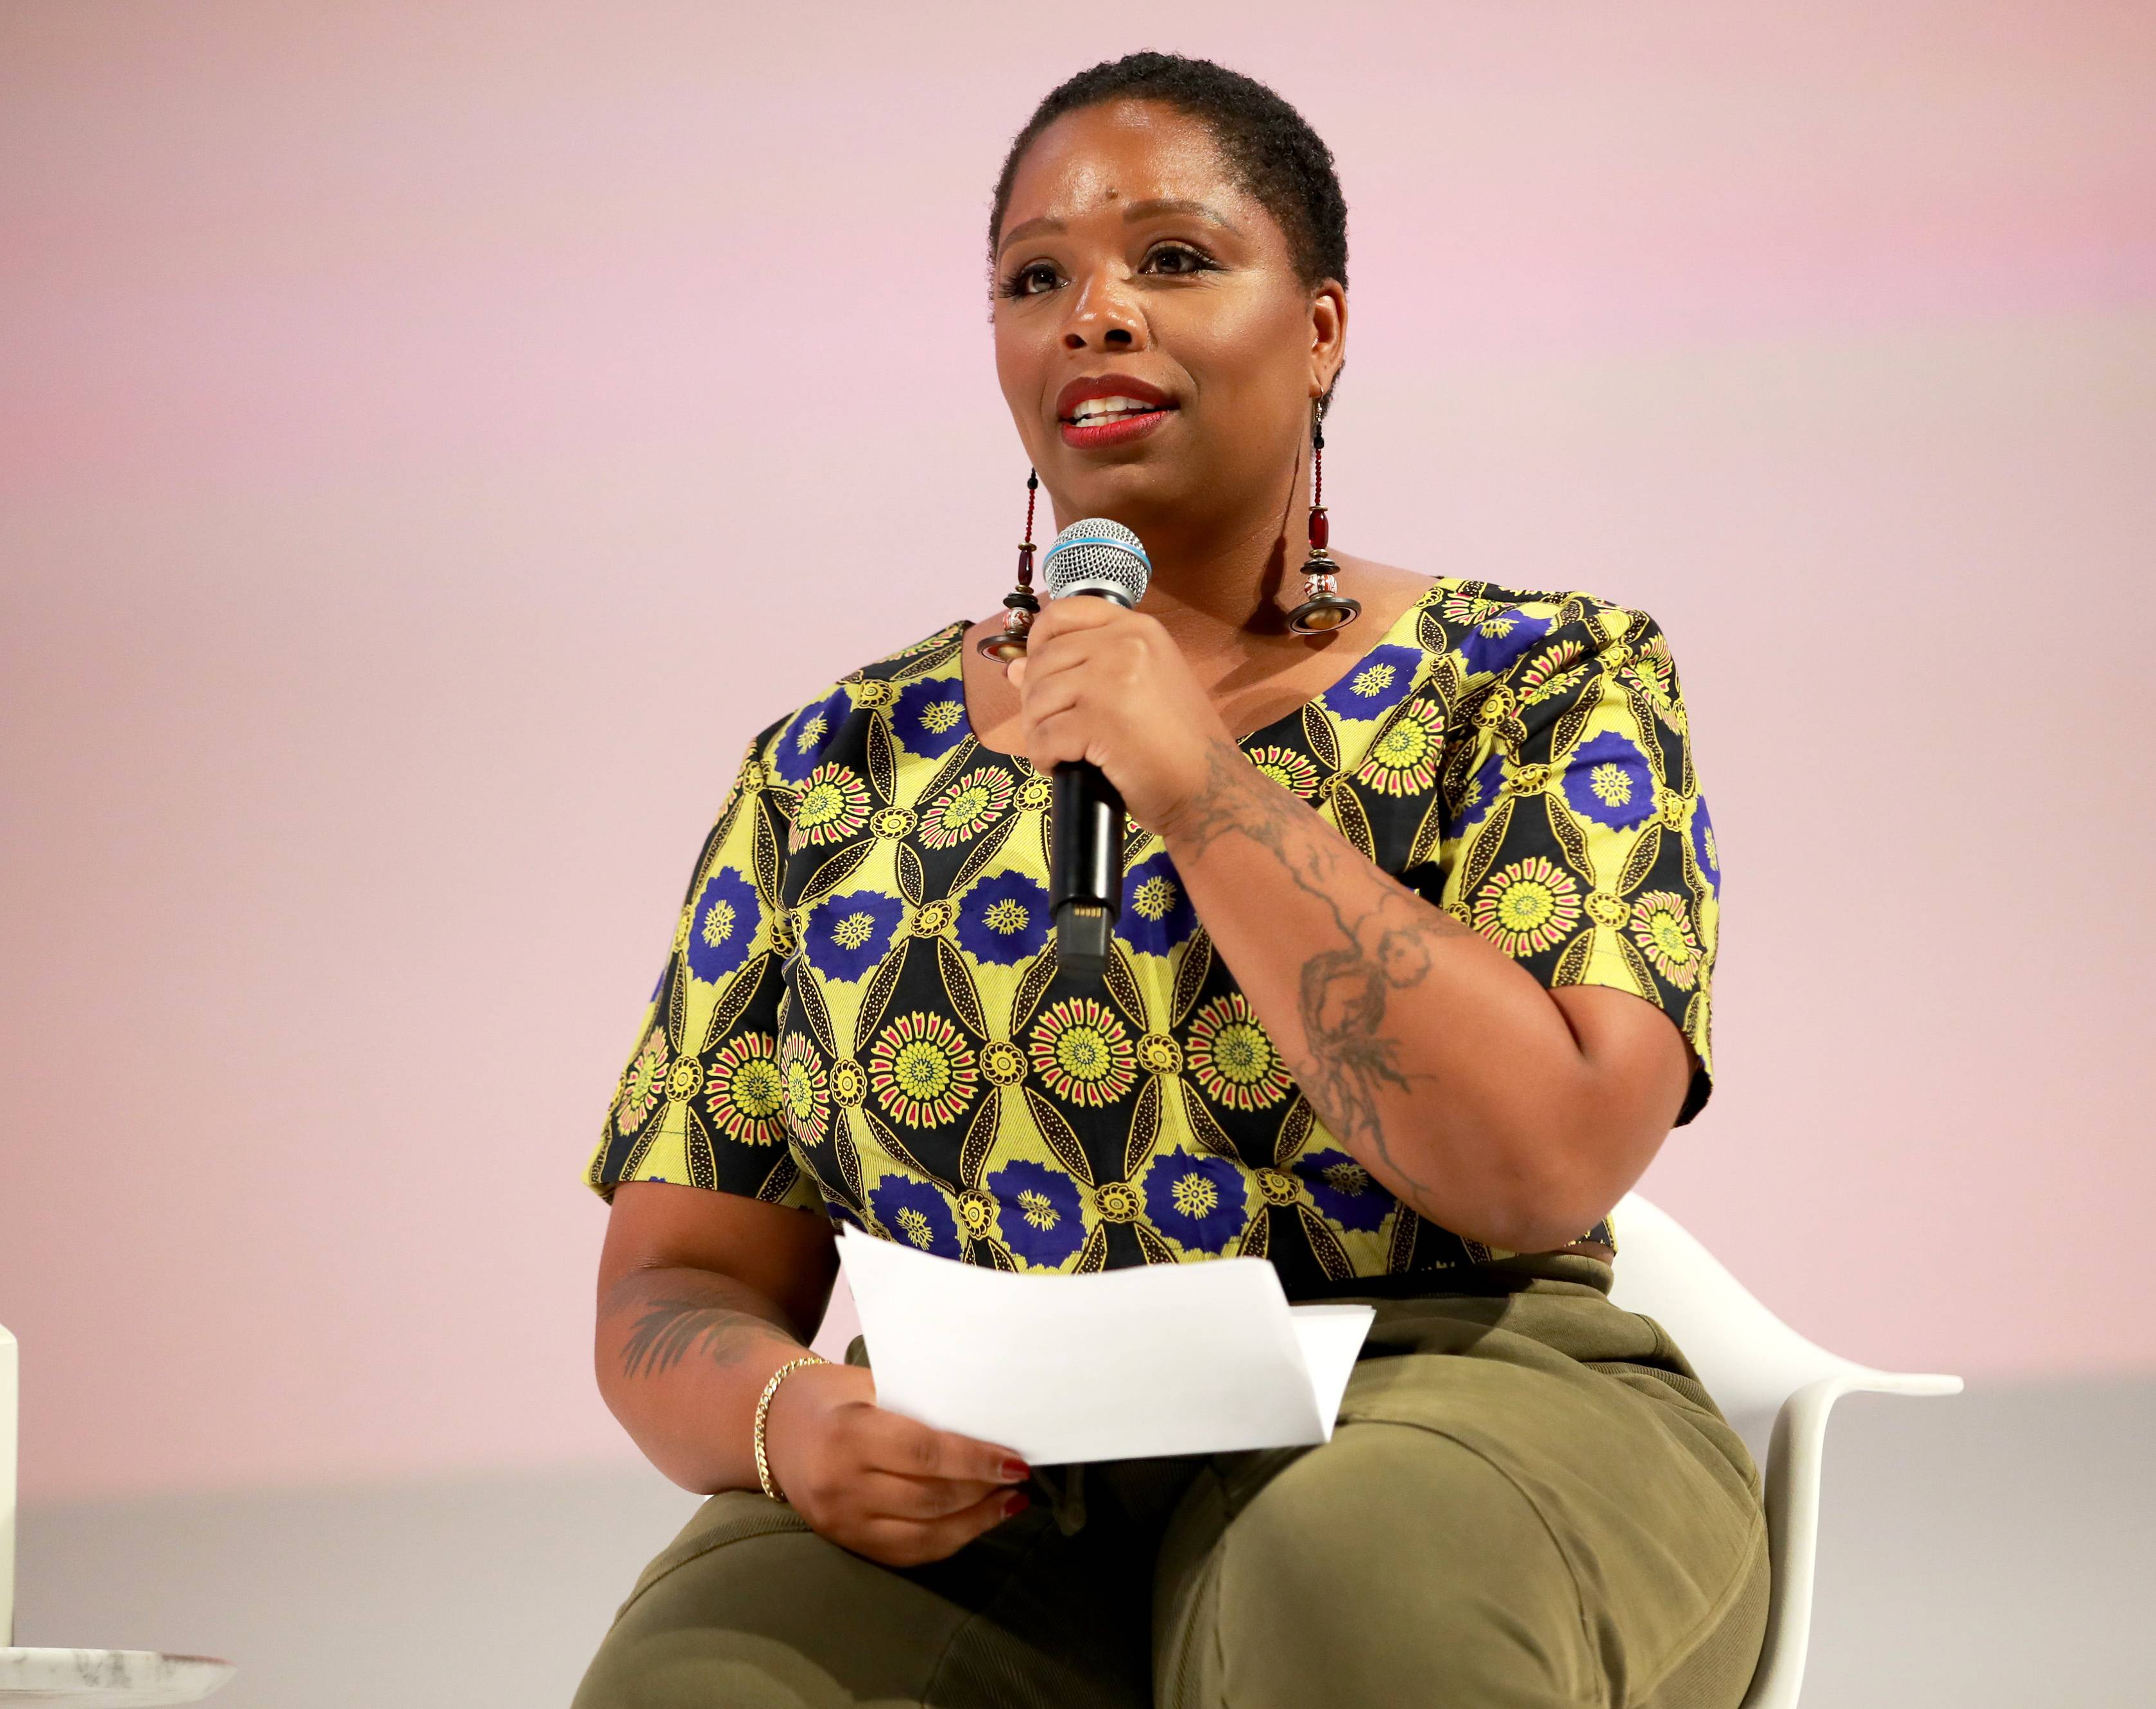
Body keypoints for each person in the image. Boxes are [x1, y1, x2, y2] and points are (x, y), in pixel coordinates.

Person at [573, 52, 1762, 1709]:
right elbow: (680, 1281)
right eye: (1035, 278)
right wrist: (787, 1417)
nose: (1095, 315)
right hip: (991, 1482)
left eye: (1175, 261)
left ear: (1324, 328)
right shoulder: (833, 765)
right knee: (706, 1683)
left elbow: (1545, 1160)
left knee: (1345, 1579)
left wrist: (1195, 781)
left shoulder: (1543, 682)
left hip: (1457, 1411)